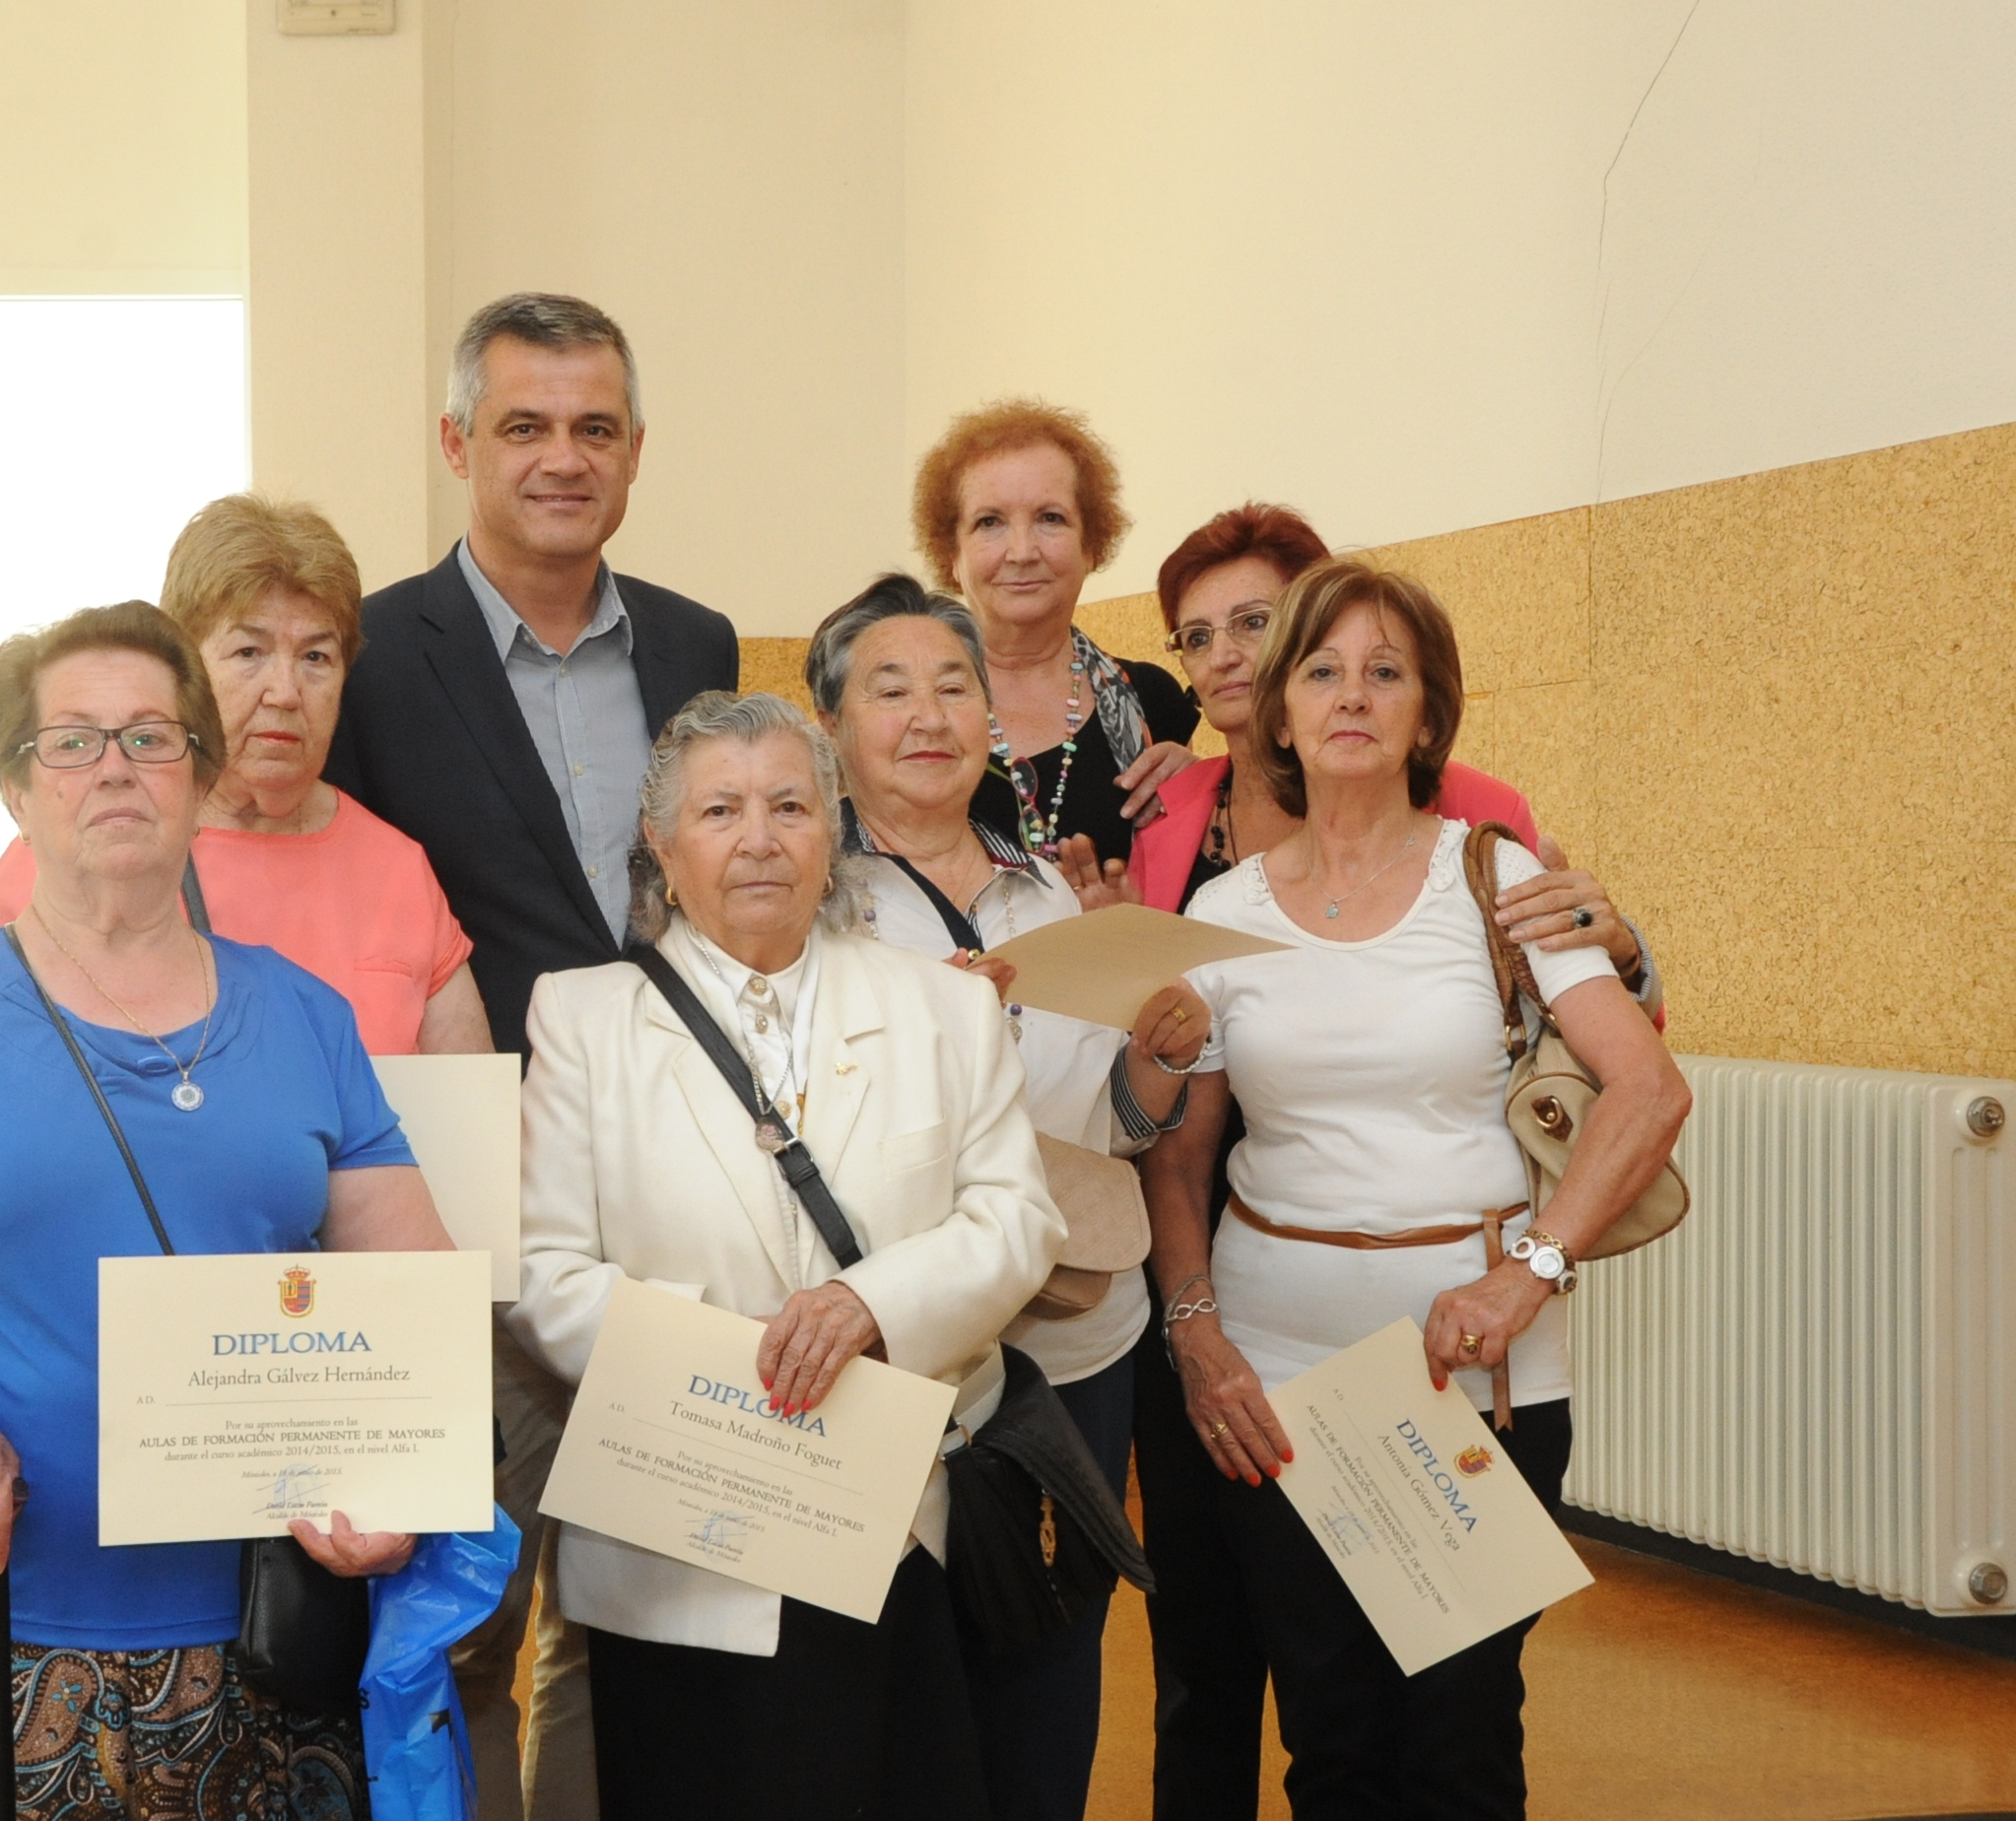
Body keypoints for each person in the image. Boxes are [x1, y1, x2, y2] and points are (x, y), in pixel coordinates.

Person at [0, 602, 453, 1819]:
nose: (114, 766)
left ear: (201, 776)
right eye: (69, 742)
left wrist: (395, 1480)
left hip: (263, 1635)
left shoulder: (306, 1019)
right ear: (14, 791)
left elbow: (412, 1291)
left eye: (150, 735)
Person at [1127, 503, 1663, 1820]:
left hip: (1475, 1378)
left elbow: (1646, 1089)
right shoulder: (1222, 912)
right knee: (1333, 1735)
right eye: (1321, 670)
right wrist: (1197, 1337)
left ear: (1429, 717)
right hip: (1278, 1378)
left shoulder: (1496, 876)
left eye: (1385, 672)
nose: (1350, 695)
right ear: (1279, 717)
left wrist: (1529, 1274)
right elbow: (1179, 1158)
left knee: (1461, 1736)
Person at [323, 292, 738, 1821]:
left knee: (650, 1610)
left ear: (634, 453)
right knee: (466, 1613)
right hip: (465, 1208)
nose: (562, 458)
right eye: (524, 426)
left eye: (594, 428)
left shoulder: (696, 642)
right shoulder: (369, 655)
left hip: (674, 1196)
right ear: (456, 445)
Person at [507, 690, 1063, 1821]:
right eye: (719, 810)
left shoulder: (943, 1011)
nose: (759, 838)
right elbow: (547, 1273)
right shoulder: (581, 1017)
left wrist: (868, 1304)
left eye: (790, 806)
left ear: (834, 830)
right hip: (683, 1536)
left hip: (901, 1524)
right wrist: (731, 1381)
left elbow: (1017, 1221)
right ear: (662, 847)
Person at [805, 576, 1204, 1821]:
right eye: (889, 688)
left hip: (1072, 1347)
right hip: (893, 1352)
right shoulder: (809, 913)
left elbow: (1112, 1133)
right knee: (892, 1675)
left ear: (991, 715)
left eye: (954, 686)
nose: (929, 714)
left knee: (1047, 1665)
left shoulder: (1052, 895)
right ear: (833, 728)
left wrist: (1159, 1058)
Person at [0, 493, 493, 1057]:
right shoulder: (80, 843)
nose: (286, 693)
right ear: (185, 673)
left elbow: (472, 1123)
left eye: (316, 657)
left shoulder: (395, 870)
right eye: (248, 652)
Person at [910, 399, 1200, 868]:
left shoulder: (1153, 703)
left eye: (1051, 518)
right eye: (990, 522)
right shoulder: (901, 714)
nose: (1022, 551)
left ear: (1092, 546)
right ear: (951, 555)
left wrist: (1200, 794)